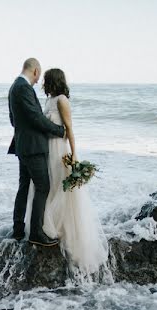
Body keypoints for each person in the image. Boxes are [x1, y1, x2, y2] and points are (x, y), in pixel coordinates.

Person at [39, 68, 108, 273]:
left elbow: (69, 129)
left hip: (60, 149)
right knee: (50, 185)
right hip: (47, 149)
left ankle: (63, 229)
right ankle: (51, 225)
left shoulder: (62, 100)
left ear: (53, 81)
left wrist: (74, 155)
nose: (44, 83)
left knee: (62, 185)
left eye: (46, 80)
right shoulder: (48, 101)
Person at [7, 58, 66, 246]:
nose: (38, 81)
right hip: (32, 148)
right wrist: (59, 131)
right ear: (34, 71)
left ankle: (18, 229)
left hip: (23, 146)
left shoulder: (14, 87)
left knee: (24, 186)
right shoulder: (23, 88)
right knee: (43, 186)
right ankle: (35, 233)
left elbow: (13, 120)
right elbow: (35, 118)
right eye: (38, 76)